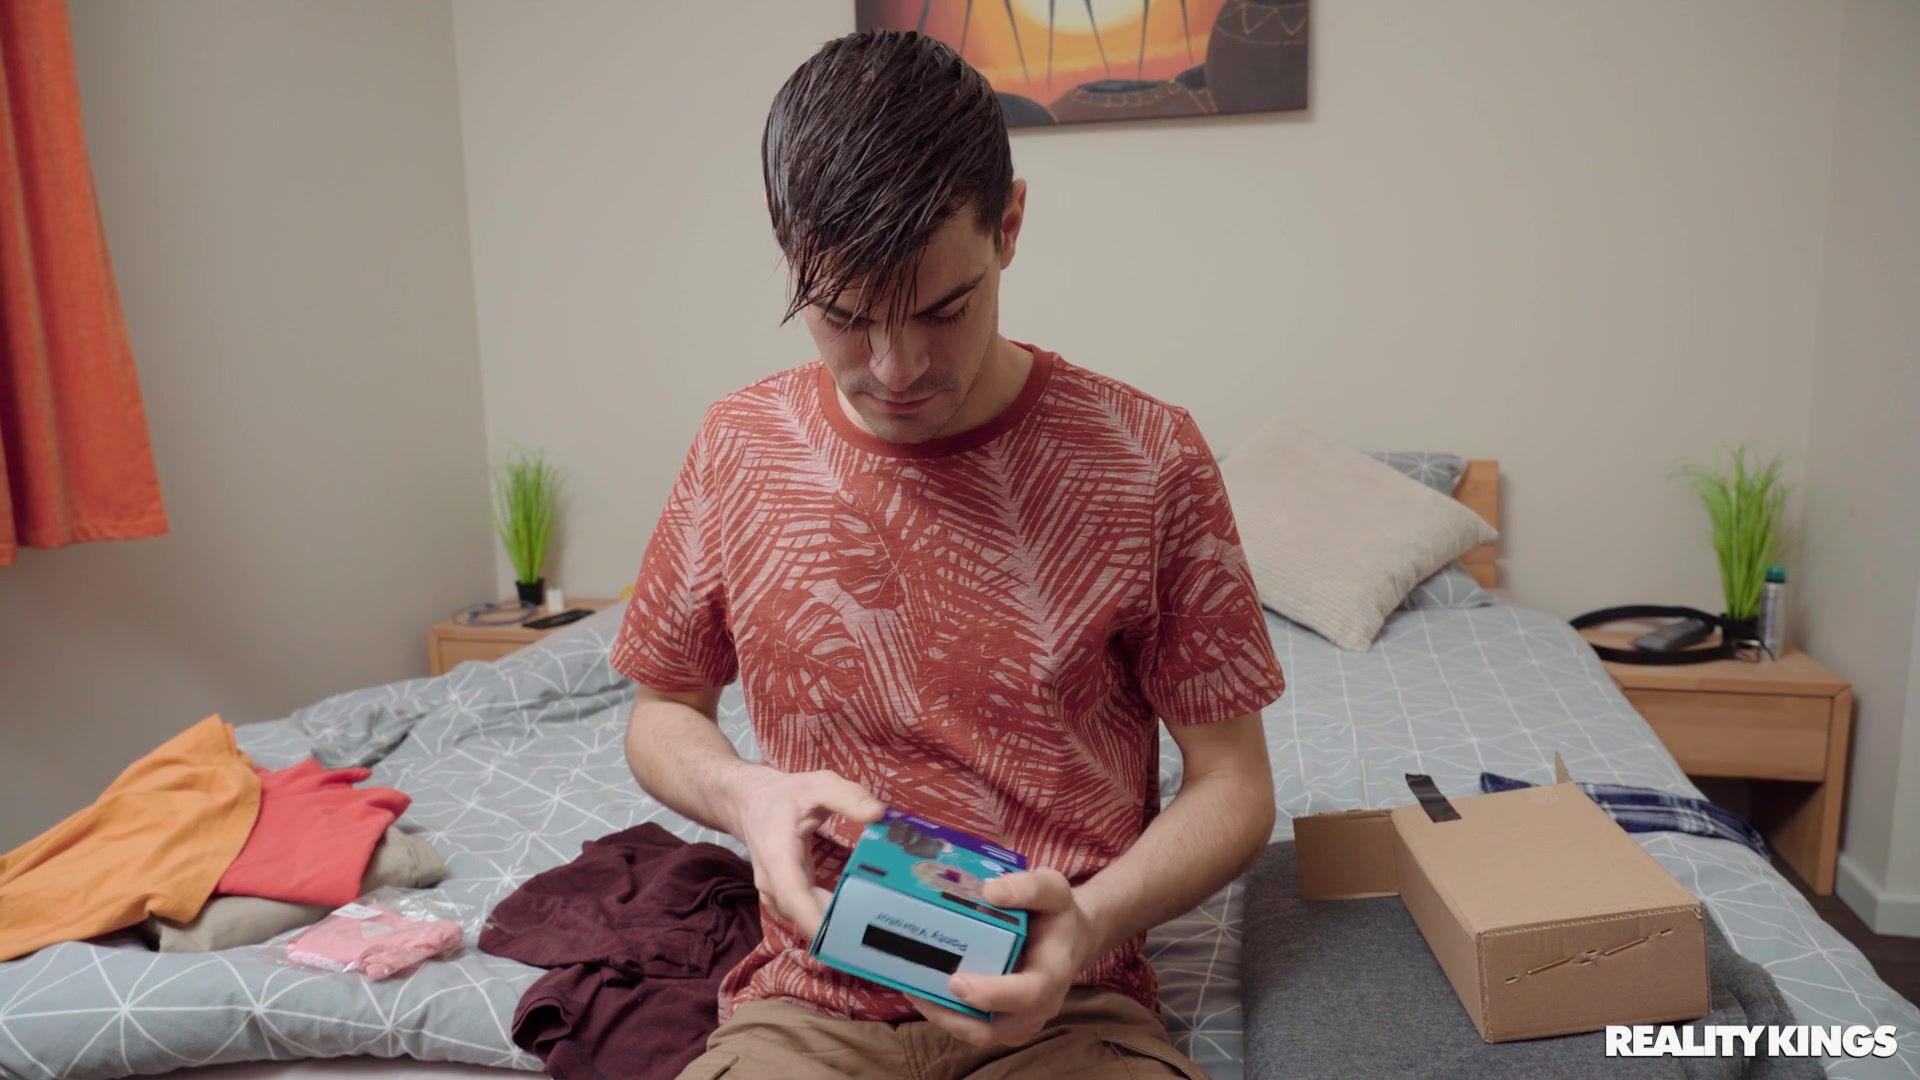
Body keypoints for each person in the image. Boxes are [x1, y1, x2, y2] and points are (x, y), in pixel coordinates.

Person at [616, 28, 1285, 1080]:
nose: (895, 369)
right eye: (843, 316)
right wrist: (743, 794)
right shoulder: (738, 446)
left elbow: (1235, 783)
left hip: (1065, 1002)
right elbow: (662, 712)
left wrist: (1087, 924)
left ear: (1008, 225)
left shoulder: (1146, 456)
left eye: (944, 310)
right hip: (810, 1005)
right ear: (788, 249)